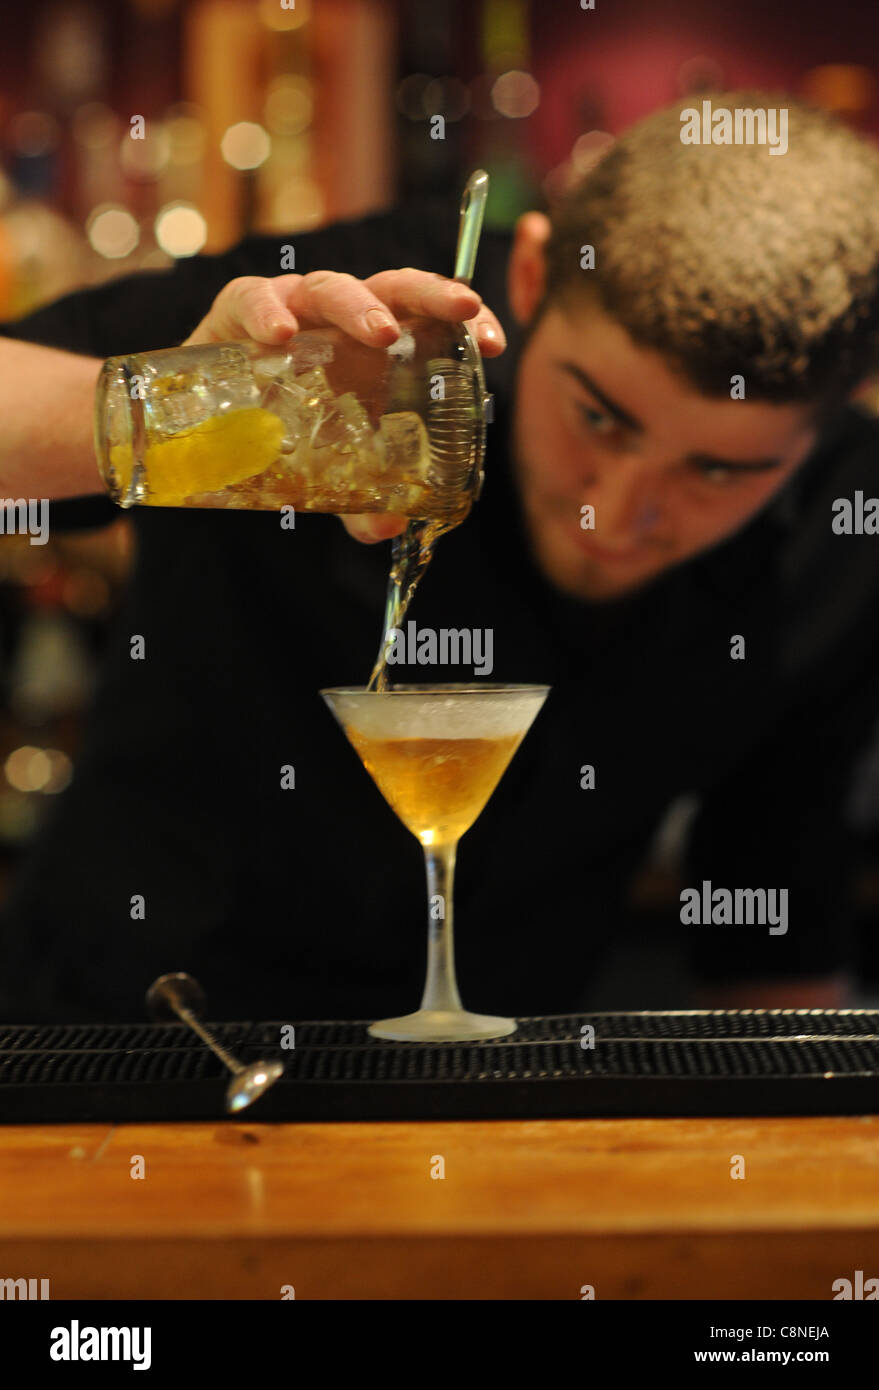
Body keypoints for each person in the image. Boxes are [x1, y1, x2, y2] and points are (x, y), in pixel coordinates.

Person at [0, 89, 877, 1023]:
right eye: (596, 417)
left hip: (499, 1081)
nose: (614, 515)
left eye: (716, 470)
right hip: (123, 1037)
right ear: (533, 278)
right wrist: (192, 406)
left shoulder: (840, 523)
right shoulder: (355, 324)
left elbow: (772, 917)